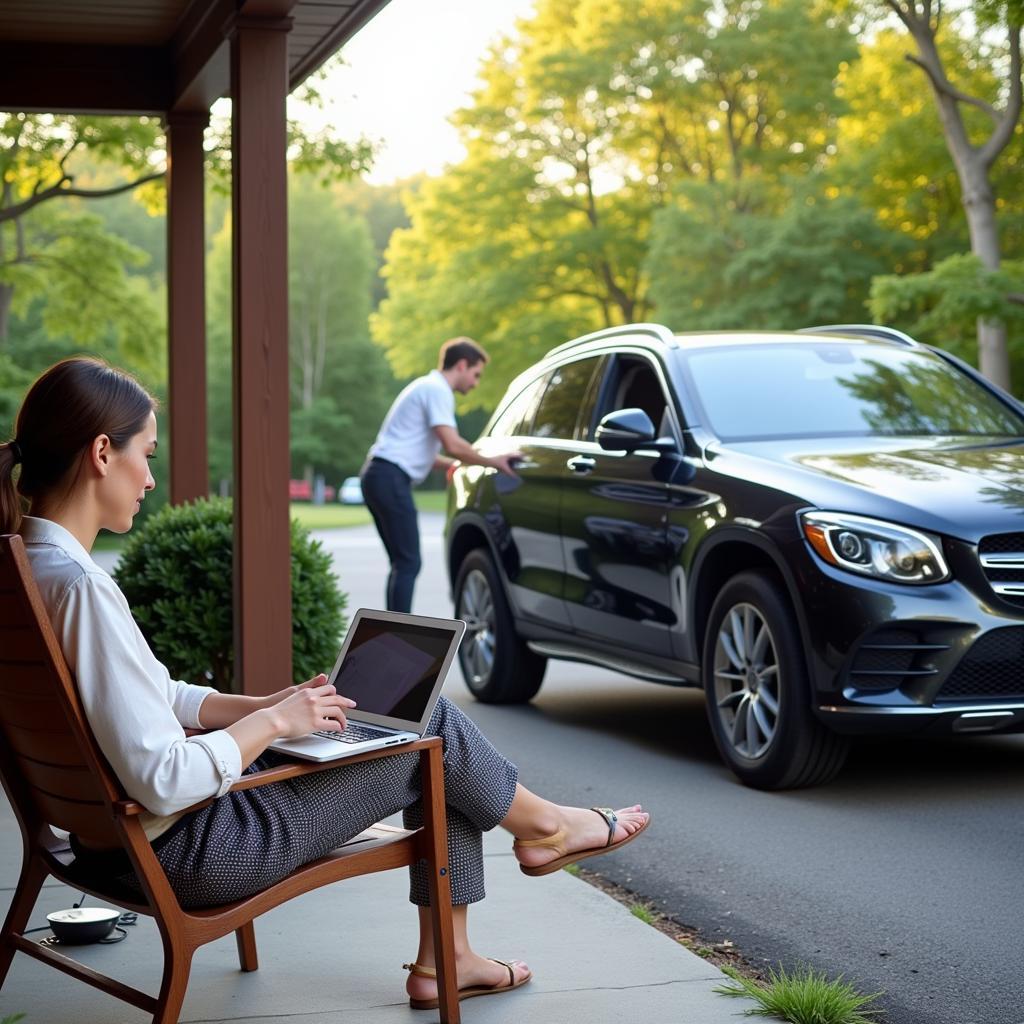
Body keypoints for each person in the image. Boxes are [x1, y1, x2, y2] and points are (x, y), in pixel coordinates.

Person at [0, 356, 650, 1010]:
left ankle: (461, 940)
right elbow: (162, 778)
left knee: (416, 729)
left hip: (108, 844)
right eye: (148, 453)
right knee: (430, 727)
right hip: (197, 852)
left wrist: (261, 705)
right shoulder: (82, 587)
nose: (151, 477)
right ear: (103, 454)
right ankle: (539, 835)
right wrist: (277, 726)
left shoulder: (34, 570)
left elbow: (151, 698)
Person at [361, 337, 521, 612]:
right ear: (461, 365)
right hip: (389, 478)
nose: (476, 383)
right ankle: (397, 632)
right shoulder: (437, 391)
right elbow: (453, 444)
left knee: (402, 563)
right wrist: (493, 461)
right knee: (409, 562)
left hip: (377, 475)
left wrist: (453, 465)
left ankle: (390, 630)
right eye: (476, 374)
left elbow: (425, 453)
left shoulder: (425, 387)